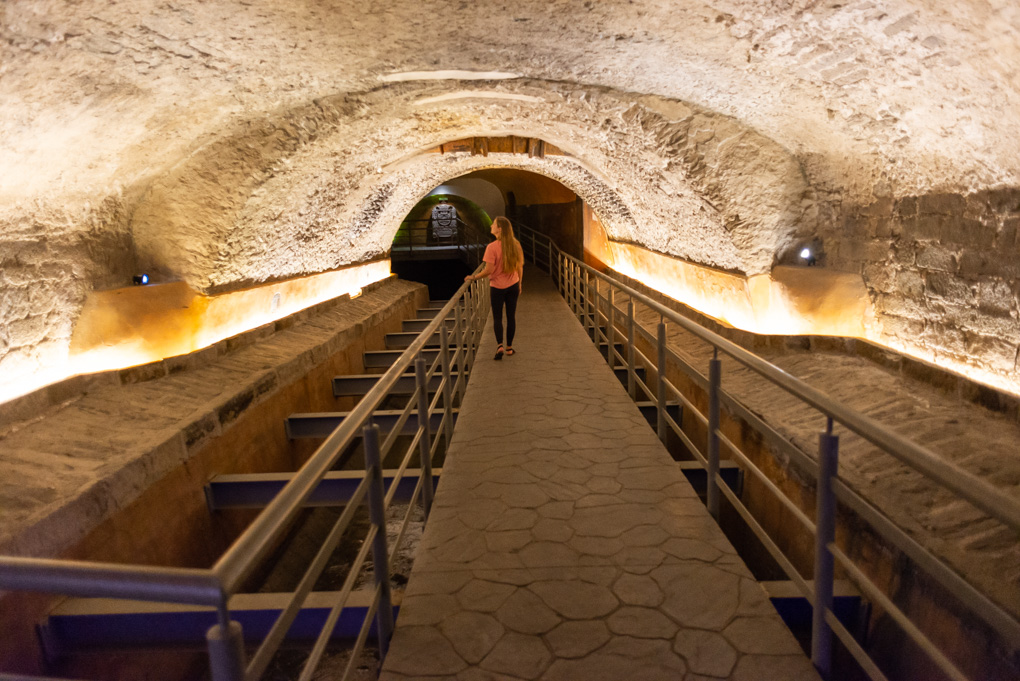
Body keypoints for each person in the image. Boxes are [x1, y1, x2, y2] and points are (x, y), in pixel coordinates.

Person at [464, 216, 524, 360]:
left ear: (500, 228)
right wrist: (520, 283)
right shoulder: (516, 244)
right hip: (513, 285)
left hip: (497, 287)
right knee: (511, 317)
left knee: (497, 317)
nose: (491, 225)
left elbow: (489, 270)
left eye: (494, 224)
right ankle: (509, 348)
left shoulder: (492, 247)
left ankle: (500, 346)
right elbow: (519, 266)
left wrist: (474, 277)